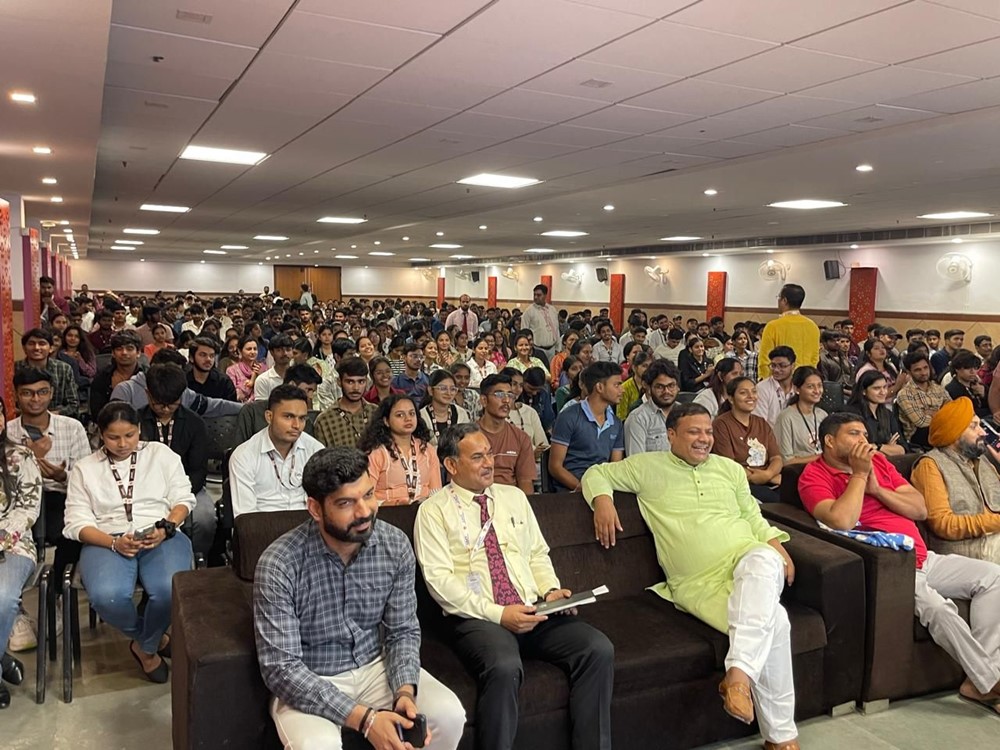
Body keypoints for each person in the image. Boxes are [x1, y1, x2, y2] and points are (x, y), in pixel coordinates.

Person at [583, 403, 799, 749]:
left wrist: (777, 547)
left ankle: (738, 678)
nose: (704, 439)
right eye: (694, 432)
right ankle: (780, 737)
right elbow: (596, 473)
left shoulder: (730, 469)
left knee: (763, 558)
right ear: (671, 435)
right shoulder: (647, 466)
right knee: (776, 620)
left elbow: (753, 517)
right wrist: (603, 502)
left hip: (746, 559)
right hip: (696, 582)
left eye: (708, 432)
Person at [415, 424, 614, 750]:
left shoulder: (513, 497)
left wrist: (550, 590)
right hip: (478, 616)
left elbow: (537, 553)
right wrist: (500, 614)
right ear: (451, 465)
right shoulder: (433, 511)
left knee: (596, 648)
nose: (488, 463)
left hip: (532, 607)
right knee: (504, 666)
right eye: (477, 457)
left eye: (489, 454)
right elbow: (440, 582)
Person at [253, 447, 465, 750]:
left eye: (368, 495)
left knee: (448, 714)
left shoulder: (394, 545)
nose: (364, 511)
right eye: (346, 503)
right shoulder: (280, 563)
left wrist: (404, 691)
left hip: (376, 666)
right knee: (316, 745)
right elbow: (282, 668)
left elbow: (402, 631)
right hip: (312, 676)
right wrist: (366, 720)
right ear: (315, 509)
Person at [798, 411, 1000, 715]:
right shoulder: (814, 476)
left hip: (925, 558)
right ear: (829, 441)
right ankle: (991, 681)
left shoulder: (880, 463)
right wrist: (859, 475)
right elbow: (841, 520)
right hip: (892, 568)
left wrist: (878, 490)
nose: (864, 441)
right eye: (854, 434)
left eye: (865, 434)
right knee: (937, 608)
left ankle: (979, 680)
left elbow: (920, 509)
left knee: (993, 577)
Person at [63, 402, 193, 683]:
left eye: (130, 435)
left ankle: (144, 647)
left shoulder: (160, 454)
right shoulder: (85, 469)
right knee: (107, 596)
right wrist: (113, 543)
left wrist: (167, 527)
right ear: (100, 434)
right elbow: (76, 523)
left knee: (170, 588)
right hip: (107, 538)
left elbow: (184, 498)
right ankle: (152, 642)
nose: (122, 444)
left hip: (160, 532)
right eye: (113, 437)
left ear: (139, 430)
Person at [7, 369, 90, 611]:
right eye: (27, 393)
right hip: (17, 502)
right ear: (16, 395)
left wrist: (62, 476)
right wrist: (28, 460)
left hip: (60, 496)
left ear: (51, 393)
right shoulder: (7, 431)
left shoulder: (71, 427)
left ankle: (57, 595)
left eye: (42, 392)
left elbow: (88, 479)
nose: (36, 399)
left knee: (73, 529)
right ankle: (14, 603)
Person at [137, 364, 216, 559]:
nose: (165, 409)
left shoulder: (195, 423)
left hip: (188, 486)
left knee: (205, 517)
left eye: (172, 403)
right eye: (159, 403)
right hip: (144, 488)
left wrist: (180, 495)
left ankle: (197, 557)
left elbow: (198, 470)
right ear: (147, 394)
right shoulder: (135, 421)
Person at [911, 398, 1000, 564]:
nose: (983, 432)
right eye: (973, 426)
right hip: (964, 549)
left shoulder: (982, 461)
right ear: (954, 433)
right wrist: (996, 522)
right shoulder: (930, 465)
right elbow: (943, 524)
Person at [229, 385, 324, 518]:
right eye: (288, 417)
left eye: (302, 418)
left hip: (307, 524)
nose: (296, 425)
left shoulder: (315, 450)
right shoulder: (244, 456)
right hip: (263, 526)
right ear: (269, 417)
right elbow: (246, 519)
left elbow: (323, 504)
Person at [0, 393, 44, 683]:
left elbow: (28, 508)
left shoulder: (20, 456)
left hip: (13, 544)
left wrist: (3, 537)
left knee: (2, 598)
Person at [549, 363, 625, 492]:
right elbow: (555, 467)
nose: (622, 390)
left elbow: (615, 467)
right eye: (617, 385)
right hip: (571, 491)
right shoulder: (569, 416)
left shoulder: (616, 424)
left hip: (602, 488)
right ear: (599, 387)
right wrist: (582, 488)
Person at [359, 394, 441, 505]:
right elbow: (365, 496)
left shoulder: (428, 450)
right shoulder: (376, 453)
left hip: (424, 510)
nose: (408, 419)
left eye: (412, 414)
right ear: (386, 421)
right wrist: (389, 504)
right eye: (400, 415)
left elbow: (436, 492)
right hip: (386, 512)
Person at [713, 377, 783, 503]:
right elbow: (729, 465)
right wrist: (764, 478)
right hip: (742, 483)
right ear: (731, 399)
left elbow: (776, 458)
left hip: (768, 479)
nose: (751, 396)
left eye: (754, 391)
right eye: (743, 393)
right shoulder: (721, 424)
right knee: (777, 501)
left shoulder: (761, 422)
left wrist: (768, 474)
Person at [477, 375, 536, 495]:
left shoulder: (521, 437)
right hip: (477, 497)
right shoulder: (467, 436)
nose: (506, 400)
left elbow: (525, 481)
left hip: (510, 498)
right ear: (484, 400)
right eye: (499, 395)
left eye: (510, 395)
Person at [235, 365, 322, 443]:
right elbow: (239, 448)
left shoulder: (305, 421)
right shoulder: (252, 412)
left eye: (313, 392)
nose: (310, 396)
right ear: (292, 385)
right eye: (308, 390)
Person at [757, 283, 820, 380]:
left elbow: (765, 360)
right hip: (805, 380)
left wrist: (765, 381)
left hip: (780, 382)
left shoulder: (773, 326)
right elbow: (815, 359)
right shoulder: (813, 326)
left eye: (779, 297)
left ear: (784, 300)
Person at [312, 358, 376, 449]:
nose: (356, 388)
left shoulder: (376, 413)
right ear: (339, 382)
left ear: (367, 382)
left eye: (361, 382)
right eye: (350, 382)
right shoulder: (324, 420)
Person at [15, 328, 79, 418]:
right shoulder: (14, 369)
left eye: (42, 344)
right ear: (24, 348)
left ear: (51, 348)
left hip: (56, 419)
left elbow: (73, 405)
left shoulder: (64, 369)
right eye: (31, 344)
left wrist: (48, 416)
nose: (36, 348)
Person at [623, 359, 680, 456]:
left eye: (671, 386)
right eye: (660, 387)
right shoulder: (637, 419)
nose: (666, 391)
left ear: (678, 387)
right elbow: (636, 461)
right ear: (649, 388)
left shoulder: (686, 414)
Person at [896, 351, 952, 450]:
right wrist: (942, 414)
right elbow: (921, 422)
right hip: (918, 436)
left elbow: (952, 409)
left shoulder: (937, 388)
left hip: (941, 428)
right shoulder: (905, 394)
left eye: (925, 368)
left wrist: (932, 413)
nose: (923, 373)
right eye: (918, 370)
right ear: (909, 372)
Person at [845, 370, 909, 456]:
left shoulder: (888, 414)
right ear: (864, 391)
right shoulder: (851, 413)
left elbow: (902, 449)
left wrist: (879, 447)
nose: (883, 392)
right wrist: (888, 448)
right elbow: (859, 449)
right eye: (877, 388)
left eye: (885, 387)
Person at [773, 367, 827, 466]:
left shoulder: (822, 415)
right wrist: (820, 458)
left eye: (819, 386)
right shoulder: (786, 417)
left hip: (823, 468)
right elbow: (786, 460)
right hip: (799, 470)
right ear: (796, 389)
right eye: (810, 387)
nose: (817, 391)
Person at [90, 331, 144, 418]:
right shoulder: (102, 378)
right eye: (119, 349)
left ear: (138, 353)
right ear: (113, 353)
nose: (124, 353)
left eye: (129, 349)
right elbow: (97, 412)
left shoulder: (147, 377)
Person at [419, 370, 471, 447]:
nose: (448, 393)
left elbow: (468, 441)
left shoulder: (461, 413)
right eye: (443, 388)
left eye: (452, 389)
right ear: (430, 390)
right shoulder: (421, 416)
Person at [753, 347, 796, 427]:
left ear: (793, 366)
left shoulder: (799, 387)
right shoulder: (762, 388)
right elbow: (759, 424)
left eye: (782, 366)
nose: (776, 370)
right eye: (773, 365)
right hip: (770, 433)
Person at [186, 336, 238, 401]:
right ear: (191, 358)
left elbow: (232, 406)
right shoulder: (184, 381)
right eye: (203, 355)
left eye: (212, 356)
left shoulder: (224, 382)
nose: (208, 359)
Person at [855, 339, 907, 403]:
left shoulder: (890, 366)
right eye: (876, 348)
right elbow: (874, 396)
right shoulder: (866, 370)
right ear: (868, 353)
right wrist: (897, 386)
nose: (881, 350)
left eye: (883, 347)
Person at [946, 350, 991, 418]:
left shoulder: (978, 384)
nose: (972, 372)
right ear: (957, 369)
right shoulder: (952, 389)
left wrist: (984, 394)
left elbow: (994, 404)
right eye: (967, 368)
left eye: (975, 368)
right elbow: (964, 413)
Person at [522, 284, 561, 360]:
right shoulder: (529, 311)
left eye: (539, 295)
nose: (536, 297)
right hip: (537, 349)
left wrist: (558, 348)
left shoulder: (552, 310)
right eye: (534, 295)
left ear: (545, 295)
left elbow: (556, 329)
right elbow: (524, 332)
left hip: (552, 349)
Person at [254, 334, 294, 403]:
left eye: (288, 350)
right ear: (272, 353)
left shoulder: (299, 376)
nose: (285, 353)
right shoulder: (263, 380)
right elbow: (261, 407)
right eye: (279, 350)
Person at [227, 335, 267, 403]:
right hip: (239, 407)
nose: (253, 352)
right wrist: (251, 381)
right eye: (249, 349)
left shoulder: (263, 368)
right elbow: (235, 395)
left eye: (255, 349)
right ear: (240, 351)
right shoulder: (232, 370)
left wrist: (260, 377)